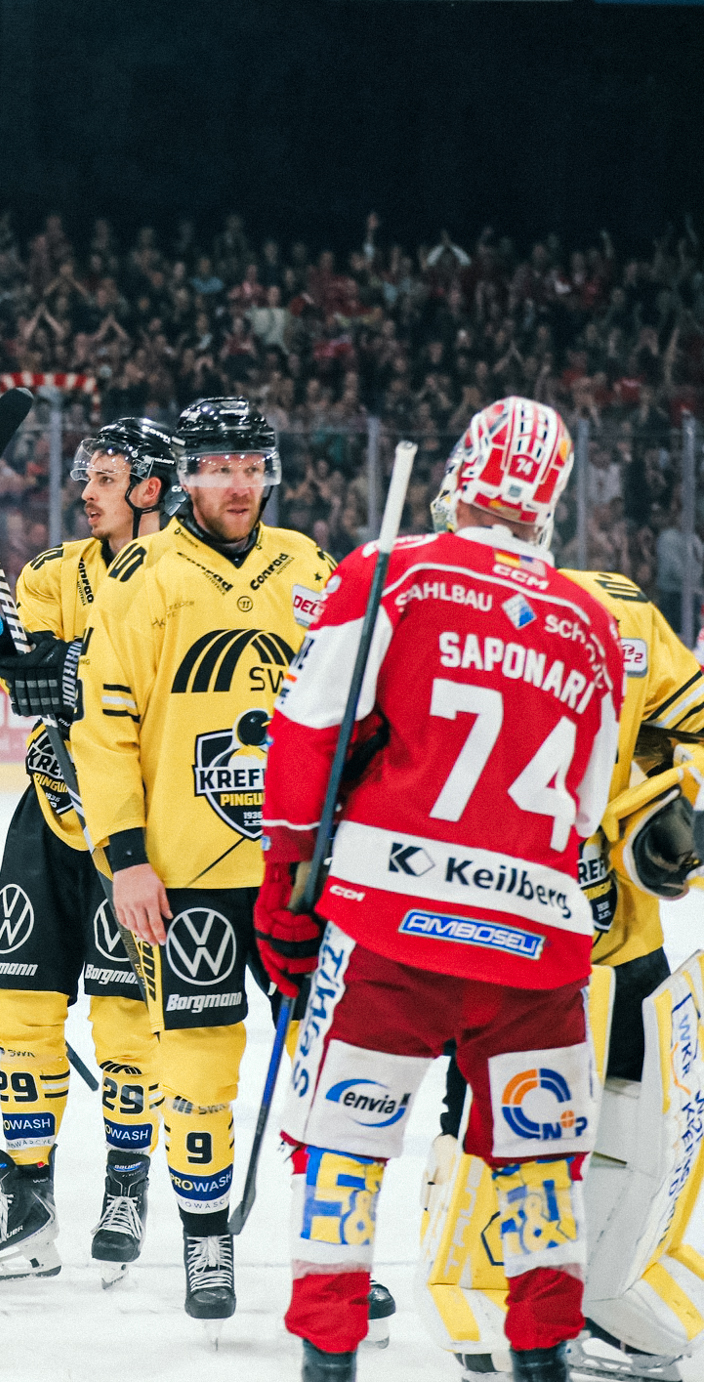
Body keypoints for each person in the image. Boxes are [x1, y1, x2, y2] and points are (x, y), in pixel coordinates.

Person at [257, 396, 622, 1382]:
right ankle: (539, 1355)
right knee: (540, 1170)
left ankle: (328, 1355)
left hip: (389, 926)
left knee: (341, 1148)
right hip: (536, 945)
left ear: (456, 476)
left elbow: (305, 733)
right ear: (548, 502)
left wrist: (284, 888)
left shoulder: (391, 571)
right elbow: (583, 805)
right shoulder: (591, 623)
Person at [412, 421, 704, 1381]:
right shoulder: (404, 604)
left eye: (510, 511)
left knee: (637, 1136)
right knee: (497, 1137)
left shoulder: (612, 611)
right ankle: (500, 1309)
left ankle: (603, 1306)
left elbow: (695, 723)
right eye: (480, 509)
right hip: (490, 943)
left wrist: (680, 804)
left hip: (613, 944)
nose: (492, 524)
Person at [73, 397, 335, 1330]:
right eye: (219, 467)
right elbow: (103, 727)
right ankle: (205, 1240)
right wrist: (128, 858)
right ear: (185, 477)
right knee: (198, 1074)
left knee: (327, 1071)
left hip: (300, 872)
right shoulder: (144, 574)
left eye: (252, 466)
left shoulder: (310, 567)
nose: (238, 483)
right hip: (185, 876)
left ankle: (328, 1259)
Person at [0, 418, 179, 1281]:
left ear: (148, 486)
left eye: (105, 477)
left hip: (136, 833)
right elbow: (31, 679)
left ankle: (125, 1186)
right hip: (48, 816)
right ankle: (28, 1200)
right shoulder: (52, 572)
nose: (88, 491)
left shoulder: (180, 575)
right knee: (19, 1012)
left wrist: (66, 668)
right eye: (86, 476)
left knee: (123, 1025)